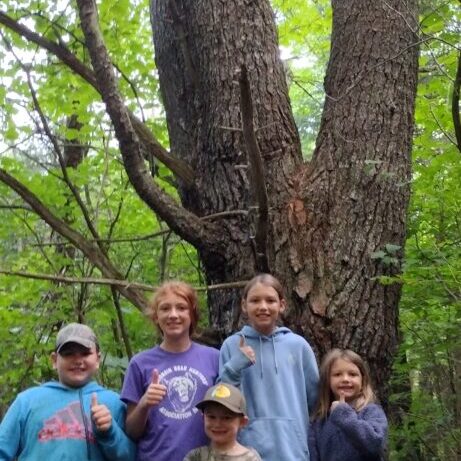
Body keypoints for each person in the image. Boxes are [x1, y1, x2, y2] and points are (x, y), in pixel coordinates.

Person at [219, 273, 319, 461]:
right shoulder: (231, 346)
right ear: (244, 305)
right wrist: (236, 365)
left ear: (281, 305)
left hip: (293, 451)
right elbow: (224, 401)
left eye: (270, 300)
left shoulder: (298, 346)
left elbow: (316, 404)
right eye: (255, 300)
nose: (263, 307)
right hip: (245, 452)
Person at [0, 322, 135, 461]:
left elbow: (132, 456)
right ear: (54, 360)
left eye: (85, 353)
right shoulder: (27, 401)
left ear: (97, 359)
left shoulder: (114, 403)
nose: (77, 360)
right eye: (68, 354)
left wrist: (110, 432)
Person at [121, 281, 220, 461]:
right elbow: (132, 431)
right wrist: (144, 403)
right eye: (165, 309)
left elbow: (230, 417)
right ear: (156, 317)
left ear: (192, 315)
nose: (173, 315)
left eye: (181, 308)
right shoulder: (140, 363)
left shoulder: (214, 358)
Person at [308, 349, 388, 461]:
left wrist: (343, 415)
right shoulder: (319, 421)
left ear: (363, 380)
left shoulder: (371, 411)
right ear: (327, 381)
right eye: (337, 374)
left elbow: (375, 443)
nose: (345, 379)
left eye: (353, 374)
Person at [184, 382, 261, 461]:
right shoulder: (195, 457)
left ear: (242, 422)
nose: (217, 424)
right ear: (203, 418)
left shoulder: (250, 458)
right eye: (212, 417)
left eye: (227, 418)